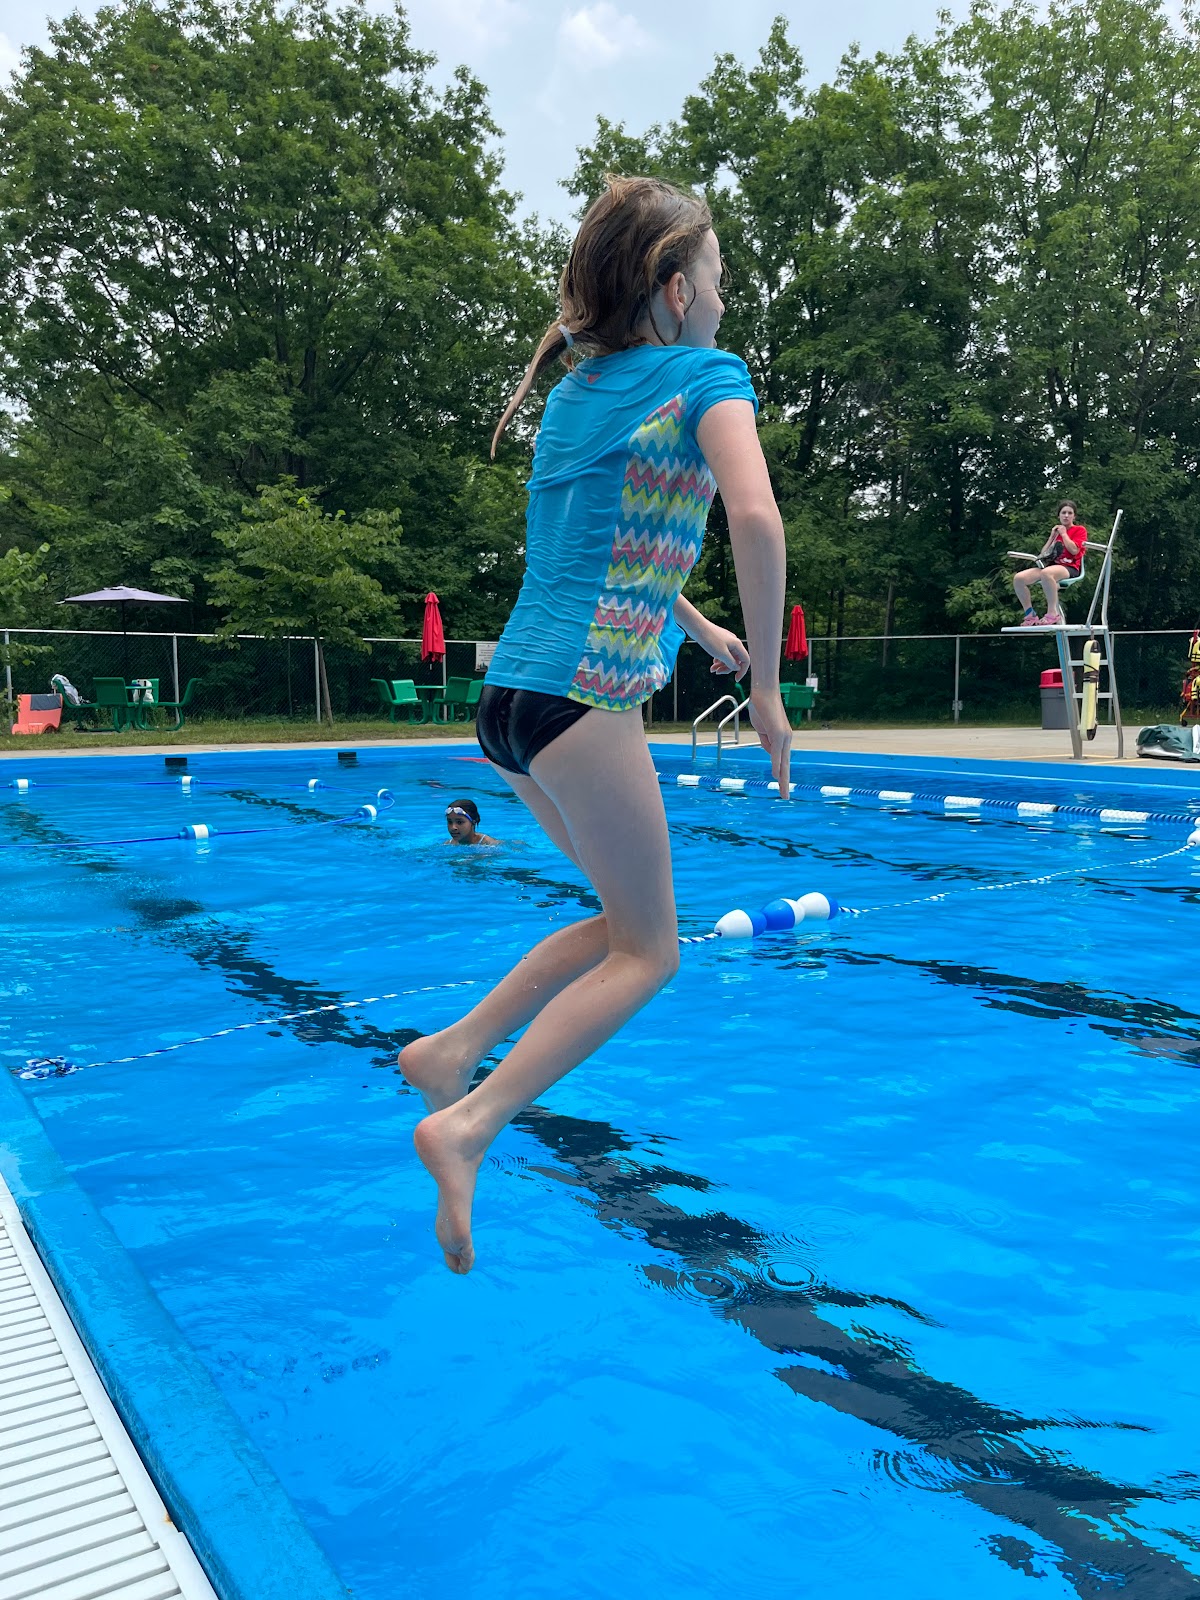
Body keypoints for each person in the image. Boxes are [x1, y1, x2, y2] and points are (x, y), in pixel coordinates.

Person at [400, 175, 792, 1274]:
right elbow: (756, 518)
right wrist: (766, 689)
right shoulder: (709, 375)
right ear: (675, 289)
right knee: (652, 953)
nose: (725, 300)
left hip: (507, 705)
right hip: (583, 698)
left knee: (620, 923)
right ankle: (468, 1124)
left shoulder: (579, 395)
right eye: (717, 278)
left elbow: (603, 548)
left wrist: (700, 627)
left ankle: (451, 1051)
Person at [1013, 500, 1088, 627]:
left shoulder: (1079, 530)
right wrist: (1051, 537)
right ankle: (1030, 614)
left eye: (1070, 513)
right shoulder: (1056, 532)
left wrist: (1064, 534)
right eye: (1063, 513)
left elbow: (1074, 550)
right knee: (1018, 578)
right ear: (1059, 515)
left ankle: (1052, 613)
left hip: (1069, 567)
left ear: (1074, 516)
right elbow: (1043, 555)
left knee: (1047, 573)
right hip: (1051, 567)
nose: (1066, 516)